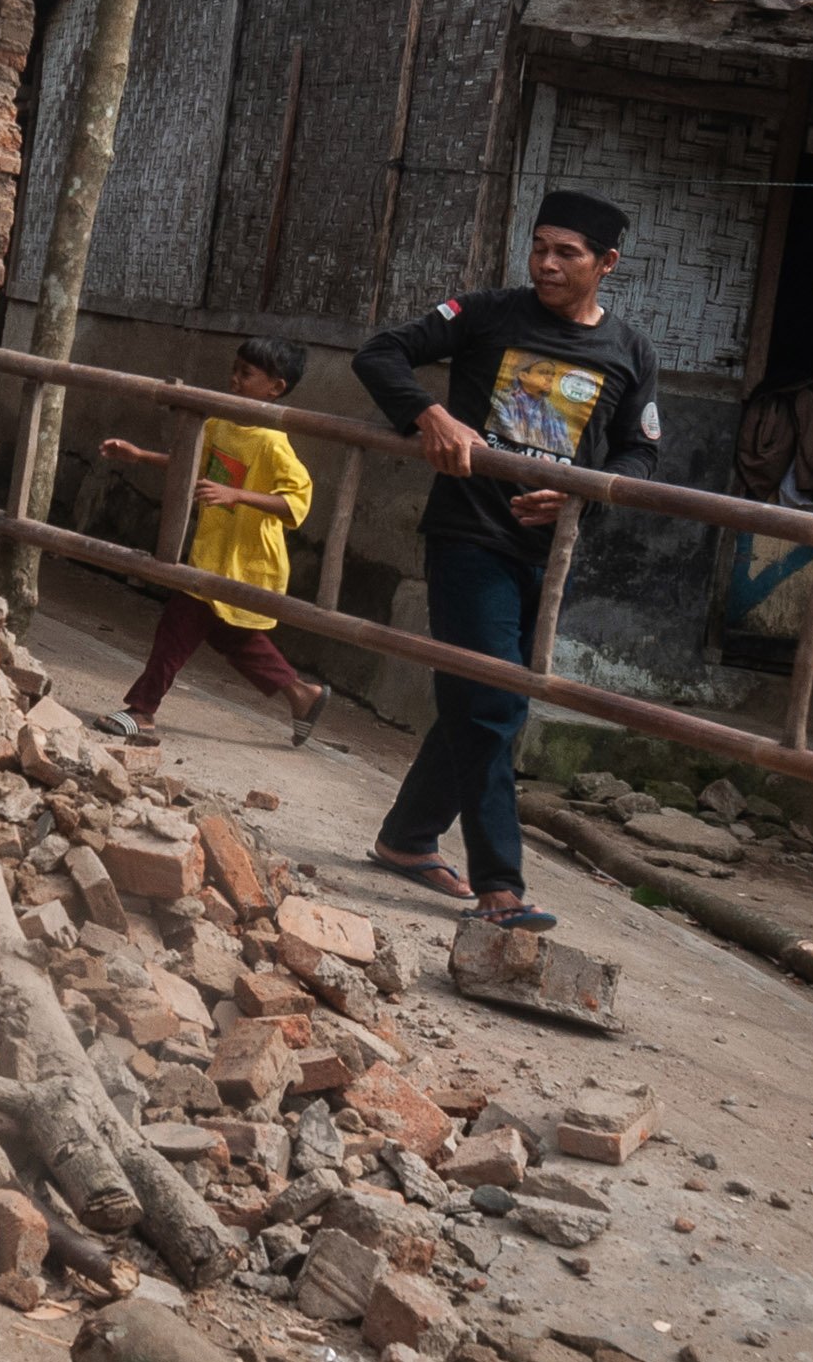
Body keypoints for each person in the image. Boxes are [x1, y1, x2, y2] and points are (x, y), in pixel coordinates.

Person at [351, 189, 661, 934]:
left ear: (606, 264)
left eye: (568, 253)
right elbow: (380, 352)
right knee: (492, 702)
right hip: (469, 536)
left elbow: (641, 454)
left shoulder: (630, 350)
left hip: (550, 559)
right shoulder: (486, 313)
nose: (546, 264)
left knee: (482, 700)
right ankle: (501, 886)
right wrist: (430, 412)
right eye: (540, 246)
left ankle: (406, 836)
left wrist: (582, 498)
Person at [98, 336, 330, 743]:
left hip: (247, 560)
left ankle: (143, 709)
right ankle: (302, 695)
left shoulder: (273, 442)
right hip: (212, 552)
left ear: (276, 388)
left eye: (246, 374)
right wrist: (140, 456)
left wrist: (237, 494)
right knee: (232, 636)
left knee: (177, 625)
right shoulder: (221, 423)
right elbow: (192, 463)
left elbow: (297, 503)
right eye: (235, 370)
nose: (234, 380)